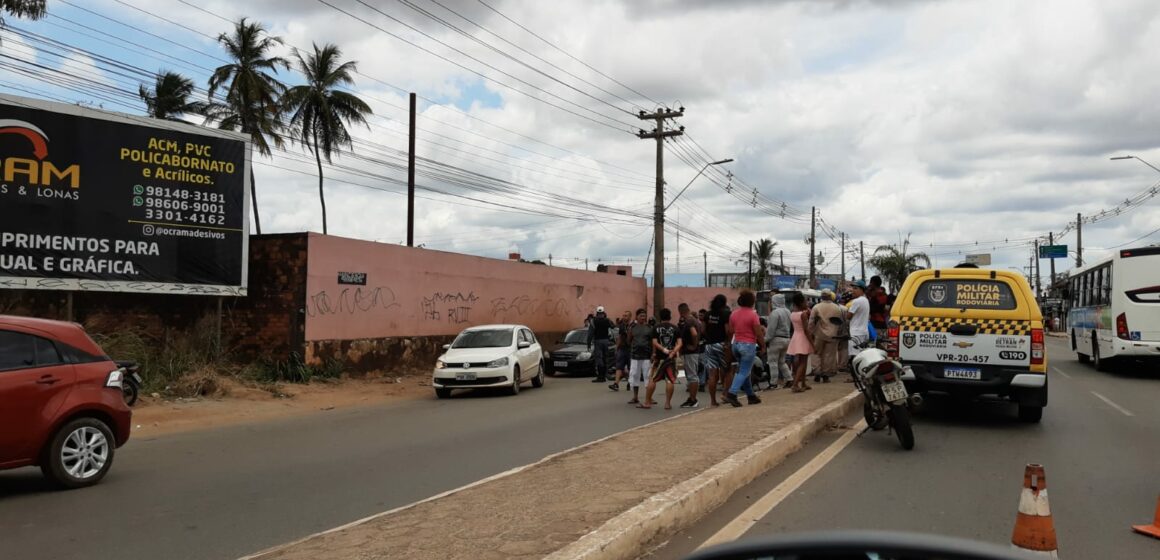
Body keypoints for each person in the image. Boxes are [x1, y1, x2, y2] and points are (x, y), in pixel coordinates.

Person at [723, 289, 764, 408]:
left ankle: (751, 396)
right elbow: (758, 332)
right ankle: (732, 393)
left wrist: (729, 344)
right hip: (748, 345)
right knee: (744, 371)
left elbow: (730, 331)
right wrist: (763, 345)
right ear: (752, 301)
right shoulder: (753, 314)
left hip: (736, 344)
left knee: (744, 371)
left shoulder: (734, 313)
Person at [641, 308, 681, 409]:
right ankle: (667, 403)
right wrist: (673, 352)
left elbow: (654, 342)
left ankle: (647, 402)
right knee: (670, 380)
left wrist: (660, 351)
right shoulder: (675, 328)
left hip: (659, 357)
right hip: (671, 358)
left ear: (660, 317)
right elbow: (680, 343)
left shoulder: (656, 328)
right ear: (670, 316)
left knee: (653, 379)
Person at [808, 289, 846, 383]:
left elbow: (811, 322)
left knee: (816, 353)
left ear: (821, 296)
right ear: (830, 296)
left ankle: (817, 371)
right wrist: (839, 333)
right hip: (833, 334)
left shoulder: (816, 307)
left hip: (819, 334)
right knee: (829, 355)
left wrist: (810, 332)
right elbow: (840, 323)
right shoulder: (837, 308)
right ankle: (825, 375)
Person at [702, 294, 732, 407]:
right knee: (728, 370)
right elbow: (728, 331)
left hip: (709, 345)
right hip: (722, 344)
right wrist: (728, 342)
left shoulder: (707, 314)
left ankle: (713, 401)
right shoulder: (725, 314)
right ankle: (725, 394)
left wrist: (710, 337)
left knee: (712, 374)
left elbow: (703, 330)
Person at [788, 292, 815, 393]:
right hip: (803, 337)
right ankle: (795, 384)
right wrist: (812, 343)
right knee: (803, 362)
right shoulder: (803, 314)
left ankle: (803, 383)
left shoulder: (793, 313)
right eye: (805, 301)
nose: (806, 303)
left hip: (796, 336)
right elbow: (806, 330)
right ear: (801, 302)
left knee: (800, 361)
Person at [677, 303, 703, 408]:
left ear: (680, 312)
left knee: (692, 376)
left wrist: (693, 345)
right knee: (691, 375)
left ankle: (693, 399)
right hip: (692, 352)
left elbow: (694, 334)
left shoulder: (689, 321)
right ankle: (691, 398)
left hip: (691, 352)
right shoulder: (695, 320)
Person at [626, 308, 654, 405]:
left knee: (648, 376)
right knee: (634, 376)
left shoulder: (649, 328)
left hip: (646, 356)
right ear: (636, 317)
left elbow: (653, 342)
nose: (643, 318)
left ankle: (649, 397)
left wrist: (653, 354)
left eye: (644, 316)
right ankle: (635, 397)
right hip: (635, 356)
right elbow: (628, 340)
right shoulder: (632, 328)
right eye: (641, 316)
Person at [765, 293, 792, 389]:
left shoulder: (775, 313)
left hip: (776, 340)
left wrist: (765, 340)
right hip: (786, 339)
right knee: (782, 362)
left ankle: (773, 383)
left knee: (772, 362)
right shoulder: (788, 311)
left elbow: (771, 330)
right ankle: (789, 379)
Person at [847, 281, 872, 372]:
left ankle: (855, 374)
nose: (853, 291)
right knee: (862, 354)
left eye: (855, 288)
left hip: (856, 332)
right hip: (864, 331)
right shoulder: (865, 300)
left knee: (854, 356)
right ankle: (862, 373)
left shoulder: (857, 301)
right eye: (853, 288)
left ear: (862, 290)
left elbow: (848, 316)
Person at [587, 306, 615, 383]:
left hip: (598, 341)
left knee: (599, 359)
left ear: (597, 313)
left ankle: (600, 377)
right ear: (603, 313)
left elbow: (590, 334)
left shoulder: (593, 321)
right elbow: (613, 326)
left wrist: (588, 344)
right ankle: (605, 375)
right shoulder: (607, 320)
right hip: (606, 341)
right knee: (605, 358)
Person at [609, 310, 632, 391]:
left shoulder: (633, 325)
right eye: (623, 315)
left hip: (631, 349)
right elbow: (620, 337)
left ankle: (630, 382)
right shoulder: (621, 326)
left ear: (630, 317)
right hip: (622, 348)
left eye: (626, 316)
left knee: (630, 367)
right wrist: (617, 347)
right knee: (619, 366)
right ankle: (616, 384)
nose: (624, 317)